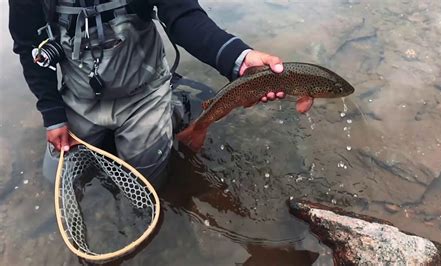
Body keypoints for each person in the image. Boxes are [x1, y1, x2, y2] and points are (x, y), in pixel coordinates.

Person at [8, 0, 287, 184]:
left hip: (143, 94)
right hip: (79, 100)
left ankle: (172, 106)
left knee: (148, 183)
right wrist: (53, 115)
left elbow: (183, 16)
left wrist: (238, 58)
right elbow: (27, 46)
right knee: (56, 178)